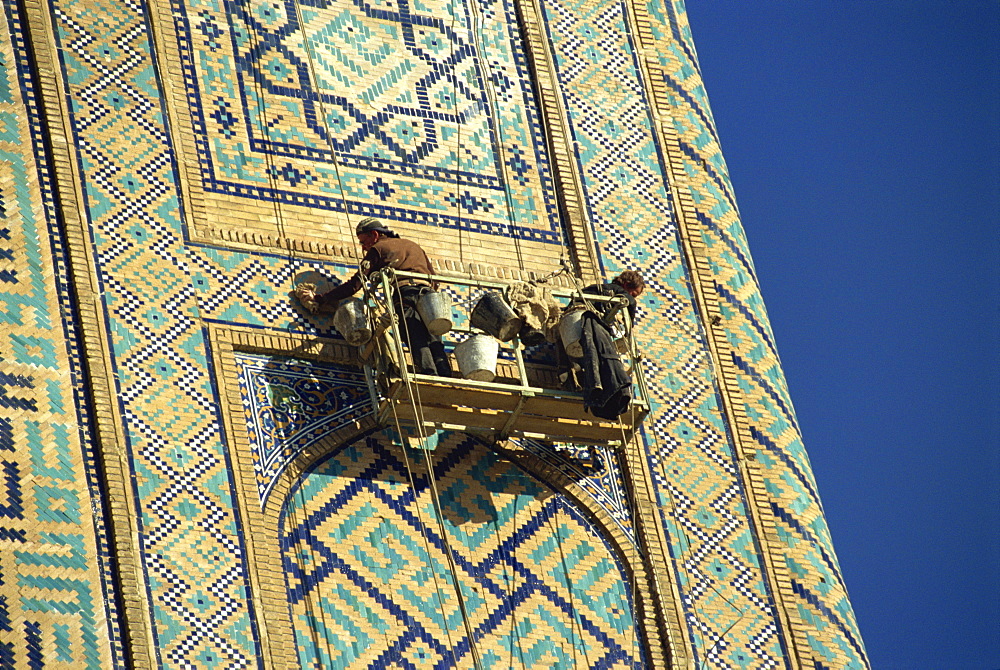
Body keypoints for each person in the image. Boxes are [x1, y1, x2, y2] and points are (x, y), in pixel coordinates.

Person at [296, 218, 453, 377]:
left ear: (375, 234)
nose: (364, 247)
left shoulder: (378, 249)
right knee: (434, 336)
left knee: (414, 335)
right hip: (429, 295)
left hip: (404, 294)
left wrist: (320, 299)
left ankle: (431, 375)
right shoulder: (414, 246)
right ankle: (446, 376)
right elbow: (434, 278)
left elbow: (355, 285)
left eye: (364, 241)